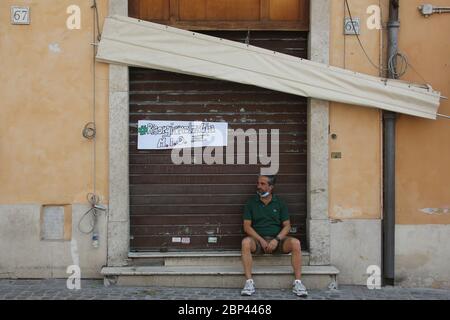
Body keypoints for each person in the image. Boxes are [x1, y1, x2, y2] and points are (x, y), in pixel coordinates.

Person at [240, 175, 308, 297]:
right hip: (258, 242)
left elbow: (287, 225)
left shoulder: (280, 203)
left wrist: (276, 240)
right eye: (258, 183)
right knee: (245, 243)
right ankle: (249, 282)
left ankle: (298, 283)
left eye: (262, 184)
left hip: (277, 241)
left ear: (270, 187)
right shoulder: (251, 203)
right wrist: (260, 240)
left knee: (296, 243)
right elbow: (247, 227)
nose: (258, 186)